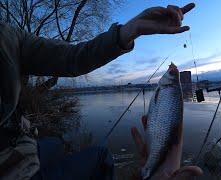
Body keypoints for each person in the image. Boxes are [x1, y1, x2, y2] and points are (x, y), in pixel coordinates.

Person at [0, 2, 202, 180]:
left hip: (16, 142)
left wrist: (131, 29)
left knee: (57, 143)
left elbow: (74, 57)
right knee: (100, 157)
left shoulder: (8, 35)